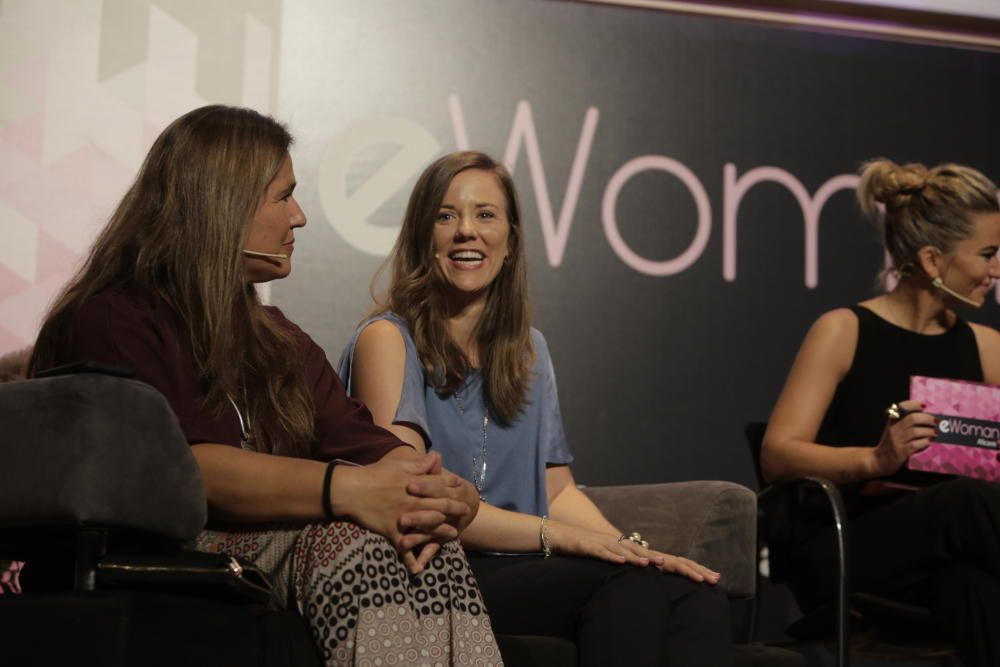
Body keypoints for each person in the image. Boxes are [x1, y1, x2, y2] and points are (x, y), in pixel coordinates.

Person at [28, 106, 502, 667]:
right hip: (169, 550)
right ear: (221, 207)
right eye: (284, 197)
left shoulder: (279, 338)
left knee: (435, 549)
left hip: (265, 542)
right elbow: (184, 471)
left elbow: (362, 441)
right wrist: (346, 492)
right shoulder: (113, 320)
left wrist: (441, 492)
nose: (298, 217)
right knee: (356, 548)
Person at [338, 150, 733, 666]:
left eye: (485, 215)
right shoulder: (388, 340)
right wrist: (562, 538)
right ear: (421, 236)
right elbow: (416, 502)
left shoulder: (528, 349)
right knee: (628, 589)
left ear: (511, 239)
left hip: (523, 566)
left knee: (690, 592)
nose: (466, 232)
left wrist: (629, 548)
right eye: (445, 215)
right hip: (437, 571)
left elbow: (558, 490)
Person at [762, 158, 1000, 666]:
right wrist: (875, 459)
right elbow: (778, 456)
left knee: (970, 585)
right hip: (848, 549)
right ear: (934, 260)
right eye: (988, 254)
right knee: (965, 504)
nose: (996, 270)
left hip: (947, 554)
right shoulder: (844, 330)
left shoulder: (987, 347)